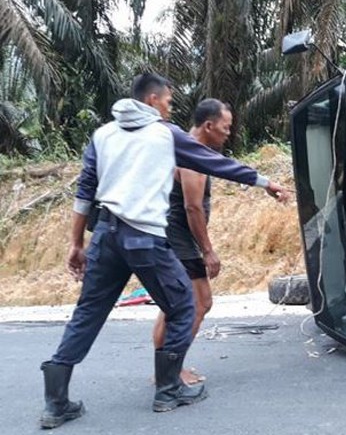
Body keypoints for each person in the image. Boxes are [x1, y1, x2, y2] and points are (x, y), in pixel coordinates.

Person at [39, 73, 290, 429]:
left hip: (105, 237)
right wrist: (266, 183)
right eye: (170, 102)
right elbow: (213, 162)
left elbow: (85, 192)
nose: (171, 109)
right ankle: (168, 391)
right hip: (144, 238)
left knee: (88, 314)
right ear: (154, 100)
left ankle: (56, 403)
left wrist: (76, 243)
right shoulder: (164, 133)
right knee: (184, 305)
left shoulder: (102, 135)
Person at [152, 99, 233, 384]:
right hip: (180, 239)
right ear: (209, 126)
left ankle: (164, 370)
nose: (228, 134)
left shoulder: (188, 149)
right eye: (225, 128)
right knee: (201, 302)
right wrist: (208, 251)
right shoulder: (190, 155)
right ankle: (172, 371)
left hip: (175, 237)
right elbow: (192, 208)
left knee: (172, 305)